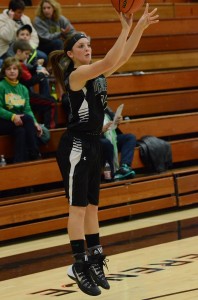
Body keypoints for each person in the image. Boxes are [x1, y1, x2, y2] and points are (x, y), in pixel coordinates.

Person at [49, 4, 159, 296]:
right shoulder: (78, 75)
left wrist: (138, 28)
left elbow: (121, 57)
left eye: (89, 45)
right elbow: (111, 57)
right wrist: (125, 27)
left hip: (95, 143)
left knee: (92, 207)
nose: (87, 48)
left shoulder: (97, 73)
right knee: (77, 208)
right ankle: (78, 264)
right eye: (82, 46)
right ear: (71, 54)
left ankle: (95, 258)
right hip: (75, 144)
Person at [0, 57, 42, 163]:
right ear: (4, 71)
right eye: (9, 69)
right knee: (27, 119)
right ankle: (35, 152)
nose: (12, 71)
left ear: (19, 71)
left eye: (15, 68)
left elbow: (27, 109)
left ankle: (19, 162)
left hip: (19, 121)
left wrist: (36, 123)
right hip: (3, 121)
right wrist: (13, 117)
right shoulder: (1, 86)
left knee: (21, 131)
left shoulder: (23, 89)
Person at [13, 39, 57, 129]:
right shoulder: (17, 65)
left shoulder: (17, 63)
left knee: (50, 99)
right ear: (18, 52)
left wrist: (38, 68)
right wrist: (41, 74)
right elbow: (29, 82)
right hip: (22, 97)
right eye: (26, 54)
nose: (27, 57)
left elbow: (28, 74)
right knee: (51, 103)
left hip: (23, 94)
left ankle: (43, 125)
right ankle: (50, 129)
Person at [101, 106, 136, 181]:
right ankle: (111, 173)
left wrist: (118, 120)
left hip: (111, 136)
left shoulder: (104, 105)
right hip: (95, 140)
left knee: (130, 138)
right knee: (106, 143)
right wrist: (99, 130)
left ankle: (124, 167)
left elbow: (113, 119)